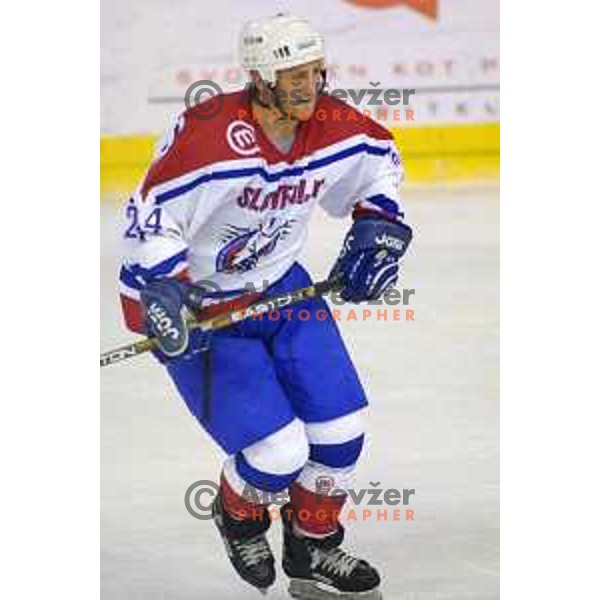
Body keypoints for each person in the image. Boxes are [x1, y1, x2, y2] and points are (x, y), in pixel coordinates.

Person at [118, 13, 412, 599]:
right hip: (209, 311)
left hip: (283, 291)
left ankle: (313, 549)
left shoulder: (331, 123)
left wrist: (379, 226)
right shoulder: (210, 138)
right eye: (291, 75)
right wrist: (163, 294)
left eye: (314, 71)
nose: (307, 86)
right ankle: (240, 515)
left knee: (341, 432)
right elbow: (149, 217)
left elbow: (379, 160)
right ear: (260, 77)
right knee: (278, 453)